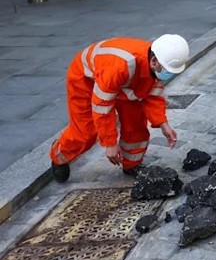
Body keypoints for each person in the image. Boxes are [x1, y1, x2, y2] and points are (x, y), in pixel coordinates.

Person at [49, 34, 190, 182]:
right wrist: (110, 143)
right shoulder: (121, 66)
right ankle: (59, 155)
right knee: (86, 131)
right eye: (168, 70)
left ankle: (132, 164)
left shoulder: (155, 65)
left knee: (135, 122)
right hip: (86, 78)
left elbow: (152, 96)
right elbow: (102, 107)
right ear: (154, 60)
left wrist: (163, 123)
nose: (168, 75)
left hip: (122, 79)